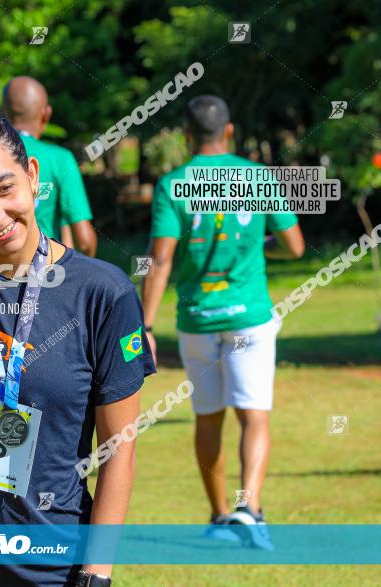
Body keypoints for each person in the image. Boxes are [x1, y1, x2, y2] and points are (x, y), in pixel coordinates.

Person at [0, 108, 155, 586]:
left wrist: (96, 574)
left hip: (53, 564)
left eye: (5, 189)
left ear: (33, 174)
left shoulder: (102, 293)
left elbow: (118, 450)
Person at [141, 95, 305, 548]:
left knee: (207, 417)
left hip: (197, 319)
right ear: (229, 131)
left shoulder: (174, 184)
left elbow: (160, 259)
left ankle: (218, 517)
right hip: (249, 316)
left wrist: (147, 327)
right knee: (254, 416)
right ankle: (248, 510)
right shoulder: (257, 176)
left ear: (187, 136)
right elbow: (294, 246)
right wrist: (260, 245)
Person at [0, 76, 97, 257]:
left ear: (1, 112)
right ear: (46, 114)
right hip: (46, 273)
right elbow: (85, 241)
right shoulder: (60, 159)